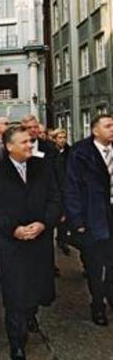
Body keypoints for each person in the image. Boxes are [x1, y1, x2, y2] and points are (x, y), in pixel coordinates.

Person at [0, 125, 61, 360]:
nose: (30, 145)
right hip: (13, 244)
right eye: (25, 142)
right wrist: (13, 229)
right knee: (15, 293)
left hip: (40, 241)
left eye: (31, 141)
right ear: (9, 147)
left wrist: (43, 223)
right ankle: (17, 342)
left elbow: (56, 199)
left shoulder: (43, 167)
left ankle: (30, 314)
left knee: (37, 287)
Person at [65, 114, 113, 326]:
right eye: (108, 126)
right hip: (94, 216)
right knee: (95, 264)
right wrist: (77, 220)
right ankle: (98, 304)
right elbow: (72, 187)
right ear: (95, 130)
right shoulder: (81, 153)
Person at [52, 128, 71, 256]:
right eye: (60, 137)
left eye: (64, 137)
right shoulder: (51, 153)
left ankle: (62, 239)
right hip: (54, 187)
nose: (63, 140)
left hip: (67, 186)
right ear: (54, 139)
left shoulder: (70, 152)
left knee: (65, 215)